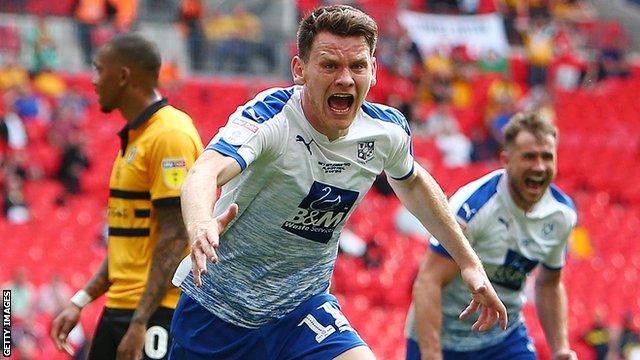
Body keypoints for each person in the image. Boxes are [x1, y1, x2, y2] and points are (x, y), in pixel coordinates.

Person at [171, 5, 507, 359]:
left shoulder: (385, 132)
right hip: (218, 312)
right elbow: (205, 171)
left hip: (301, 311)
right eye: (330, 65)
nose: (345, 78)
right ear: (300, 70)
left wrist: (469, 262)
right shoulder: (272, 116)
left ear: (373, 71)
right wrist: (200, 223)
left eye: (357, 66)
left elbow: (412, 182)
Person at [49, 33, 234, 360]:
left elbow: (176, 235)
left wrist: (140, 323)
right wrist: (81, 300)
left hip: (154, 312)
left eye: (99, 69)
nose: (93, 81)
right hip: (122, 307)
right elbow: (129, 244)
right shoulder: (136, 138)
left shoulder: (169, 135)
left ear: (123, 76)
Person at [405, 112, 578, 360]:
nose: (539, 167)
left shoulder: (562, 215)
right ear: (506, 160)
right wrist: (432, 355)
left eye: (547, 157)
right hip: (440, 341)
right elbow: (428, 282)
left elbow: (549, 283)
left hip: (503, 340)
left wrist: (561, 348)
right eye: (529, 156)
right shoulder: (473, 206)